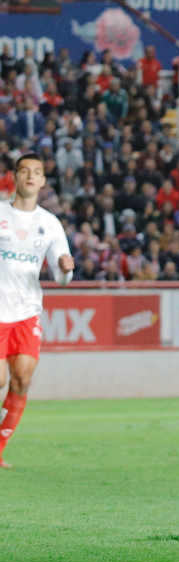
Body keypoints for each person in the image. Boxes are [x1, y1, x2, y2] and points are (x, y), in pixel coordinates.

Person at [0, 153, 75, 468]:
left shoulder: (50, 223)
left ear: (43, 181)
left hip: (27, 312)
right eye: (25, 171)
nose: (31, 176)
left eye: (37, 172)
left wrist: (65, 269)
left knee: (22, 380)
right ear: (15, 177)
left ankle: (0, 447)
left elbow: (63, 276)